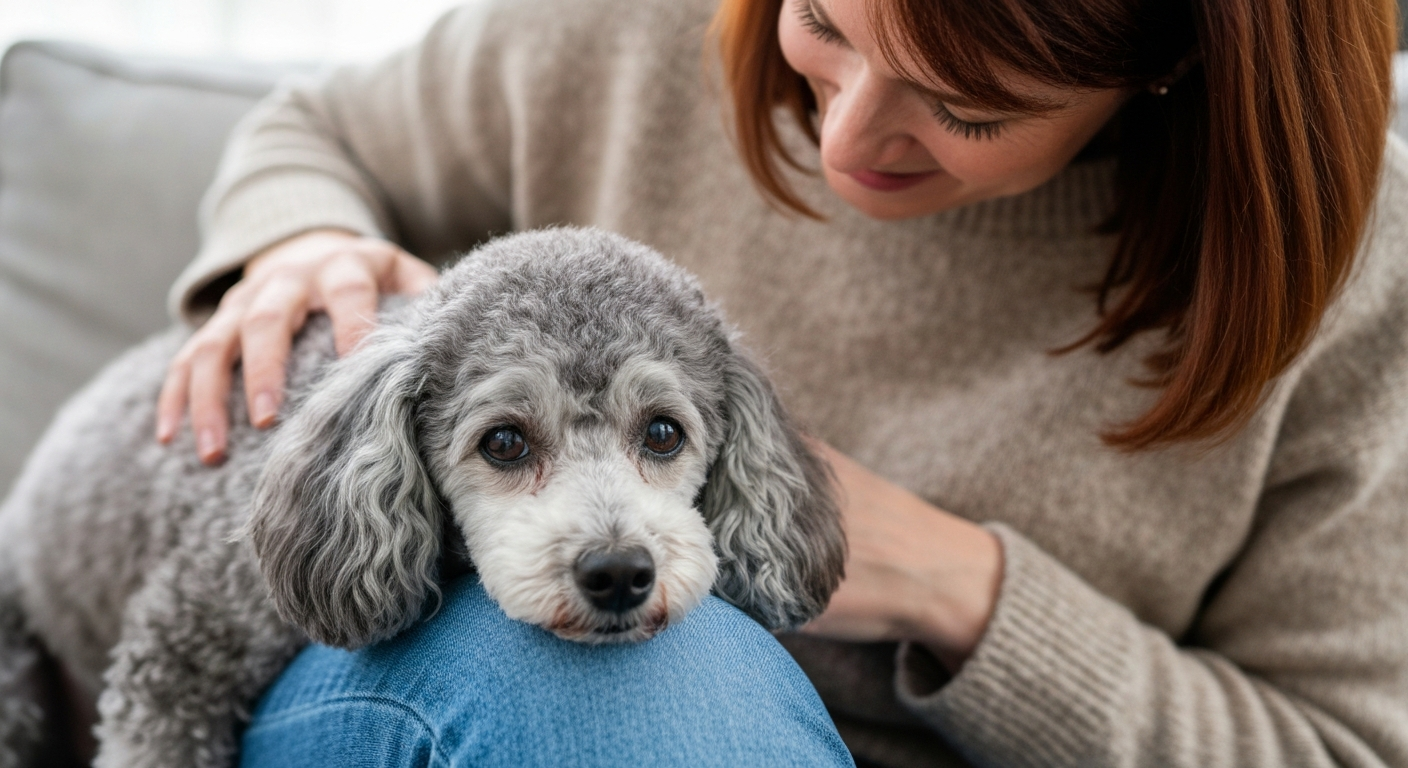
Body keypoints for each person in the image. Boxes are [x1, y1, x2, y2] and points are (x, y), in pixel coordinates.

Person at [156, 0, 1408, 764]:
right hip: (462, 708)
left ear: (1171, 58)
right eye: (822, 20)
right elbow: (310, 130)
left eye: (965, 106)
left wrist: (959, 593)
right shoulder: (624, 30)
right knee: (645, 684)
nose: (847, 138)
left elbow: (1343, 745)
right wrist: (298, 247)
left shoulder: (1361, 275)